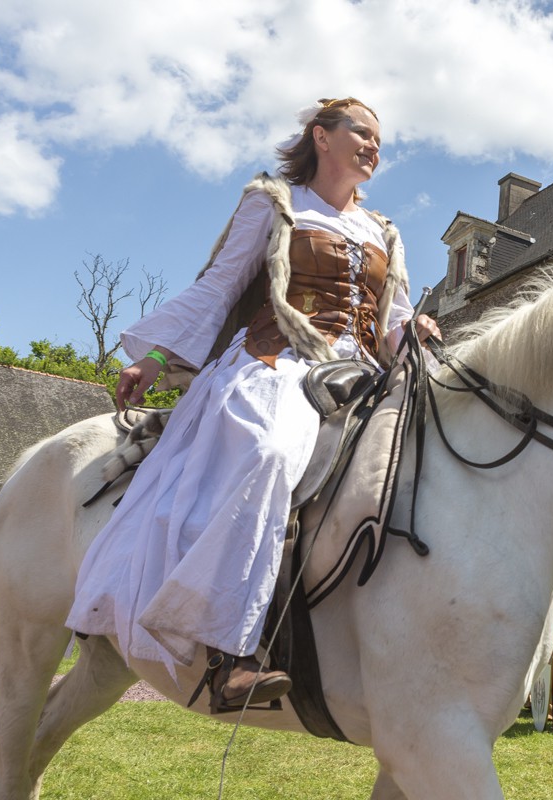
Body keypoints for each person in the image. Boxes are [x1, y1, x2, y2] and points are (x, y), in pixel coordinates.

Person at [65, 96, 441, 714]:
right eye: (363, 133)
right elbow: (219, 285)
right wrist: (156, 358)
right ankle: (229, 652)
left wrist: (416, 330)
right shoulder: (276, 203)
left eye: (380, 139)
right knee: (269, 451)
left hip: (362, 373)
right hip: (279, 360)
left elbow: (391, 322)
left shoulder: (385, 233)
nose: (375, 146)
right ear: (322, 137)